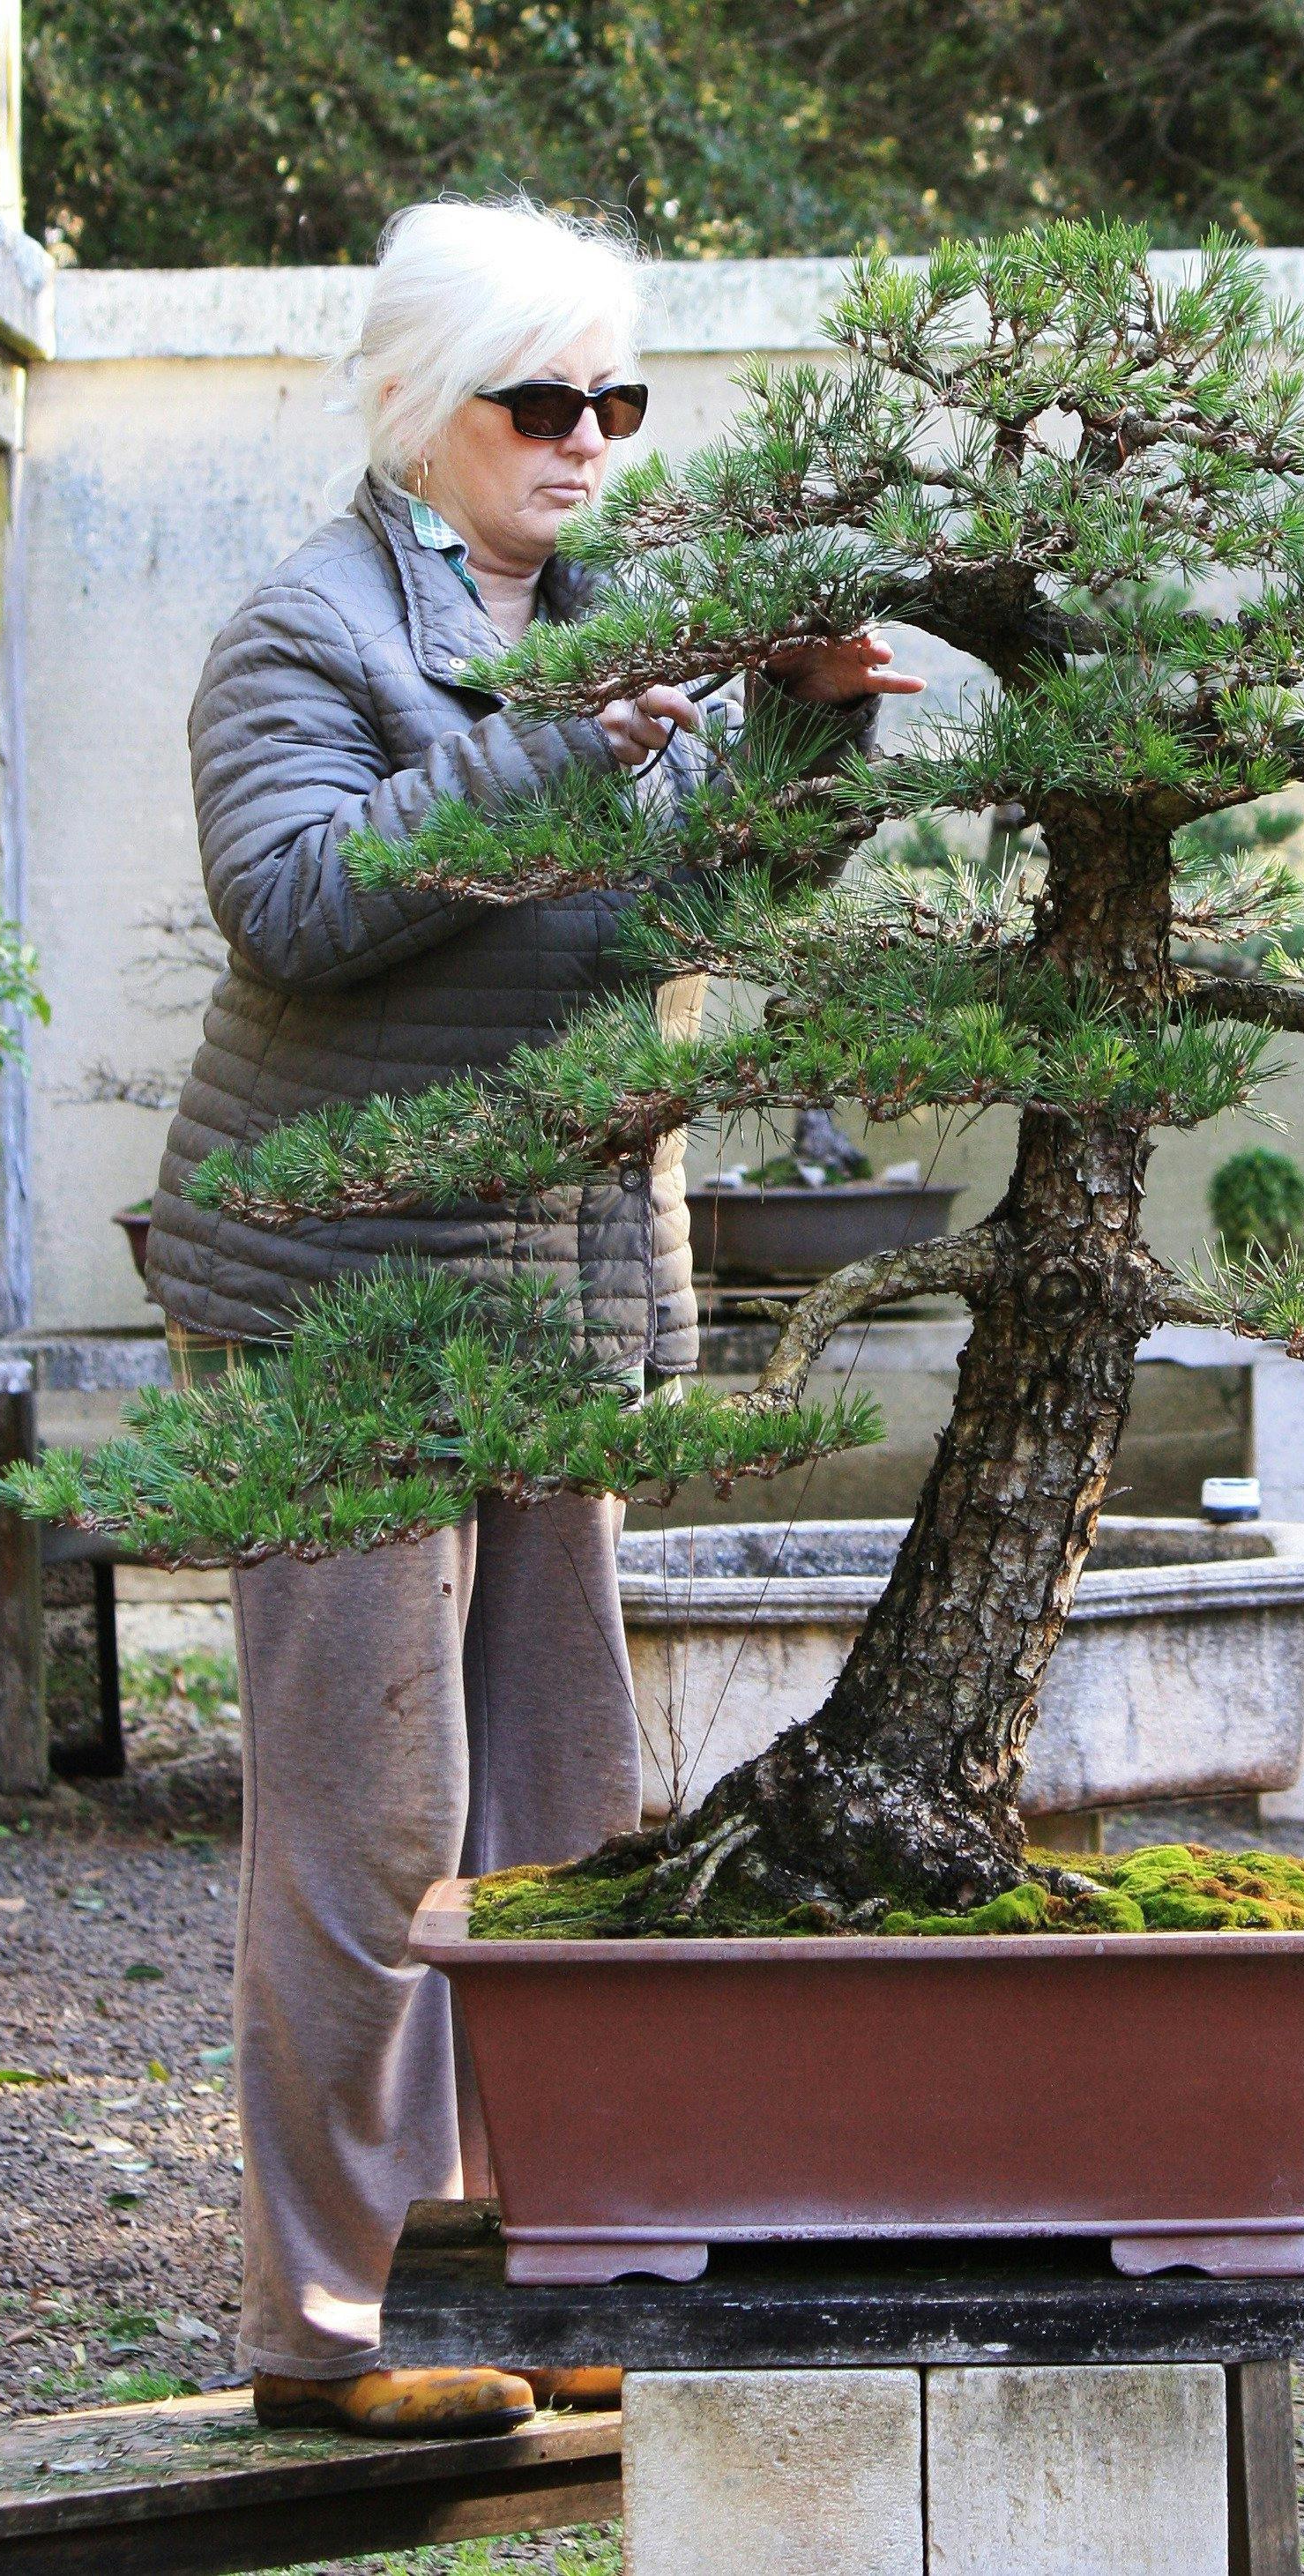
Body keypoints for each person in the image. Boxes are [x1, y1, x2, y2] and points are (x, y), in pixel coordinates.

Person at [141, 196, 921, 2438]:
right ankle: (336, 2328)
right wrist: (563, 742)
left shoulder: (619, 616)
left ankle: (556, 2253)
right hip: (339, 1304)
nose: (588, 439)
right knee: (371, 1829)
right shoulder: (302, 629)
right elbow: (292, 907)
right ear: (423, 406)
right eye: (542, 400)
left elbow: (694, 911)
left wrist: (801, 742)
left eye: (620, 399)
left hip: (564, 1287)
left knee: (570, 1813)